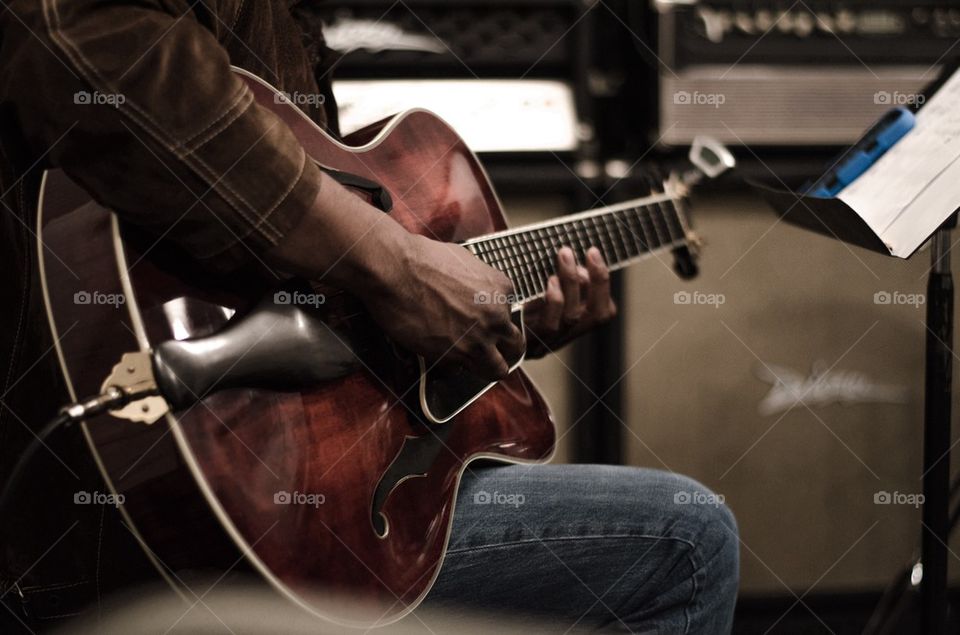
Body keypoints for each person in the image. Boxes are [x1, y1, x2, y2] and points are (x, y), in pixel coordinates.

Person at [0, 1, 738, 632]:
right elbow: (93, 55)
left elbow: (335, 313)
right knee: (687, 539)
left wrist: (487, 339)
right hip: (130, 516)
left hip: (310, 495)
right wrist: (398, 266)